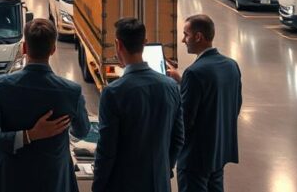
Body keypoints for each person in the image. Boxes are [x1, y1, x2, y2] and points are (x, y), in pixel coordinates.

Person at [0, 18, 90, 192]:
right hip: (54, 182)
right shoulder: (71, 91)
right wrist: (38, 133)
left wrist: (26, 136)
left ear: (24, 48)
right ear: (53, 49)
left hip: (10, 181)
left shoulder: (1, 86)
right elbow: (82, 131)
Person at [93, 18, 184, 192]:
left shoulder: (113, 93)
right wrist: (164, 169)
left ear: (118, 44)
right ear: (145, 43)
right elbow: (178, 138)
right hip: (160, 183)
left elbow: (107, 149)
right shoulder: (171, 86)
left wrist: (98, 185)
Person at [166, 14, 242, 192]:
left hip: (195, 159)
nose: (183, 40)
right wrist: (182, 80)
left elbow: (185, 121)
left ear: (198, 36)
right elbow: (234, 107)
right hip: (218, 154)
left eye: (186, 34)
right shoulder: (231, 65)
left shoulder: (194, 73)